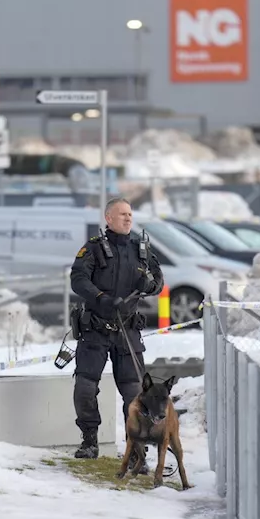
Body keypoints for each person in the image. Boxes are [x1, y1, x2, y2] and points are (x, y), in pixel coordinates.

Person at [69, 197, 164, 463]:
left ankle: (136, 449)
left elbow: (158, 282)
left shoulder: (141, 250)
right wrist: (101, 297)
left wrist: (150, 285)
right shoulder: (94, 249)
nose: (128, 218)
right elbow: (78, 279)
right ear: (108, 218)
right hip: (95, 329)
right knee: (85, 389)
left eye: (130, 214)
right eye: (122, 214)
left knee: (134, 394)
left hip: (127, 332)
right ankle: (89, 441)